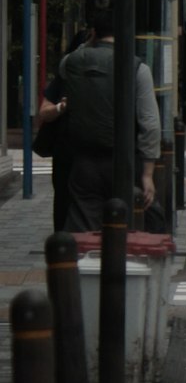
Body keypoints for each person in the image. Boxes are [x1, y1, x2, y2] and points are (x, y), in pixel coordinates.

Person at [42, 23, 163, 237]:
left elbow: (65, 65)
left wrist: (87, 45)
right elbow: (150, 123)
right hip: (124, 162)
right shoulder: (137, 68)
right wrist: (147, 174)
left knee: (84, 228)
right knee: (130, 225)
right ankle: (119, 265)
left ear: (93, 34)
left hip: (83, 161)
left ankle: (84, 267)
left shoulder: (72, 63)